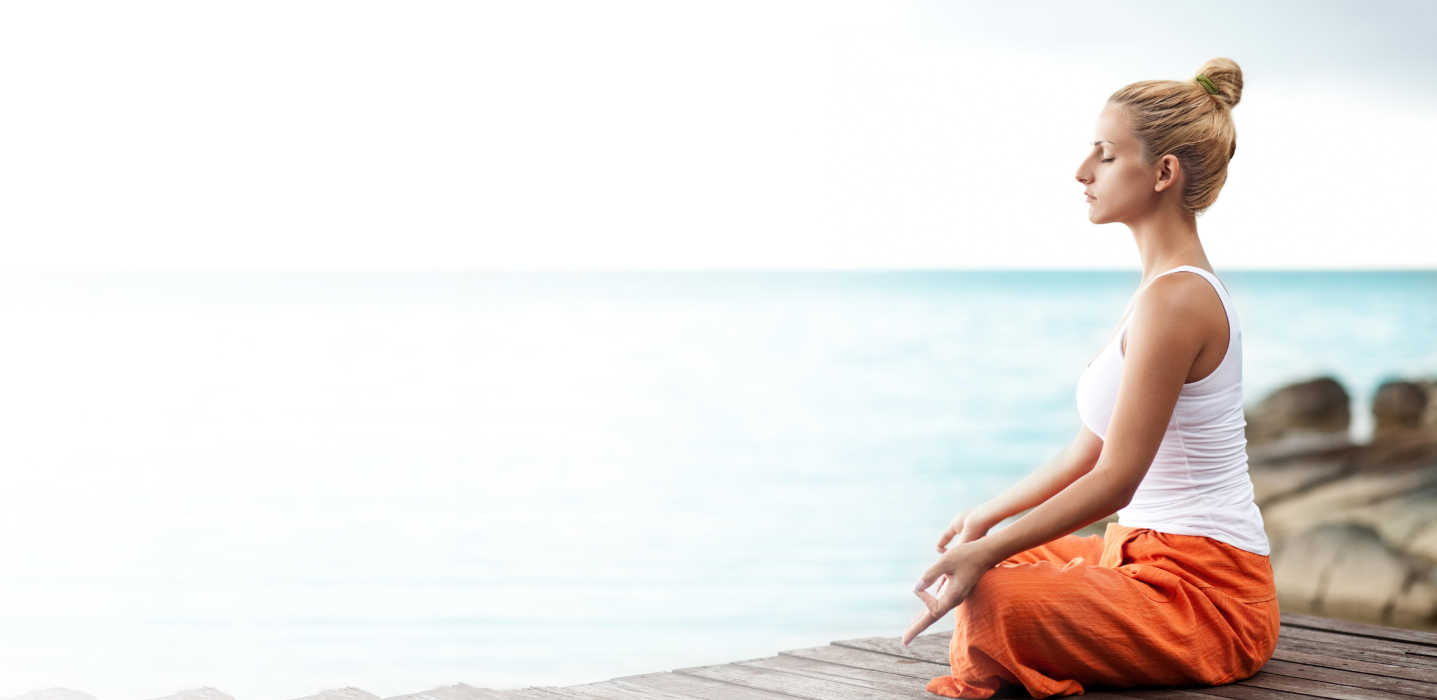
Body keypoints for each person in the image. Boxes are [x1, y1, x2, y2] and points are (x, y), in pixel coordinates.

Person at [902, 58, 1278, 699]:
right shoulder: (1157, 292)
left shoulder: (1178, 300)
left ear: (1163, 173)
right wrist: (983, 520)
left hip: (1207, 595)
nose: (1083, 171)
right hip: (1136, 552)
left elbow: (1116, 479)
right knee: (990, 564)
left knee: (994, 594)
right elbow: (1088, 450)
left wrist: (985, 552)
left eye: (1105, 154)